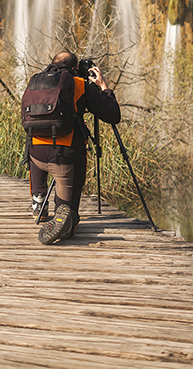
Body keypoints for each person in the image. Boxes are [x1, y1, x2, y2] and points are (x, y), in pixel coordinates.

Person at [28, 51, 120, 244]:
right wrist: (103, 86)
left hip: (35, 152)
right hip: (64, 155)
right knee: (67, 210)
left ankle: (38, 198)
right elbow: (112, 115)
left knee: (39, 148)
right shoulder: (79, 85)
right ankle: (66, 216)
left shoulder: (35, 81)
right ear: (75, 69)